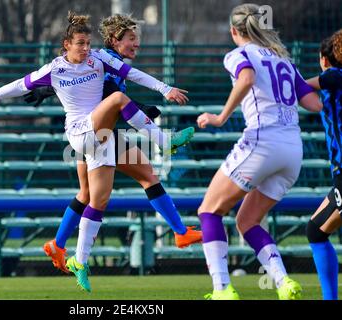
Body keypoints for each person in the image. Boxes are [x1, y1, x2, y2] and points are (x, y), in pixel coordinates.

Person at [0, 11, 195, 292]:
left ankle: (83, 259)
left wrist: (164, 88)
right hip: (80, 133)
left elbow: (131, 74)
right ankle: (164, 141)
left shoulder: (99, 59)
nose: (86, 48)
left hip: (103, 134)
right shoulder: (54, 68)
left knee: (106, 196)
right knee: (118, 102)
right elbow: (19, 84)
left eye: (88, 43)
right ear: (67, 45)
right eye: (80, 44)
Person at [24, 14, 202, 275]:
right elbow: (109, 95)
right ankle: (80, 259)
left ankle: (59, 244)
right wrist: (145, 105)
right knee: (113, 192)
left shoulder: (94, 60)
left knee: (92, 192)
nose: (136, 44)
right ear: (114, 40)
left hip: (90, 134)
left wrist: (46, 89)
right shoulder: (107, 60)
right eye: (131, 38)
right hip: (98, 135)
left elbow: (77, 79)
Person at [195, 3, 322, 300]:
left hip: (263, 142)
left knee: (209, 211)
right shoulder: (283, 59)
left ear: (234, 31)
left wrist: (219, 117)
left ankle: (222, 289)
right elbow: (314, 104)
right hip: (293, 151)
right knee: (247, 221)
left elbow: (247, 78)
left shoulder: (238, 54)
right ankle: (283, 282)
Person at [305, 29, 342, 300]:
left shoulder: (334, 76)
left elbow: (301, 87)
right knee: (316, 230)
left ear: (324, 59)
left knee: (316, 232)